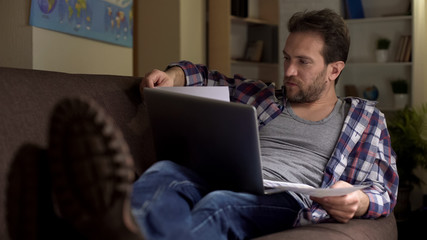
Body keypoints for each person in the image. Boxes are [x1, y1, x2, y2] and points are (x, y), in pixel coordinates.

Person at [7, 8, 398, 240]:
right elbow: (210, 77)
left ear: (335, 69)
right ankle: (119, 225)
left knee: (219, 206)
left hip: (289, 198)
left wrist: (360, 200)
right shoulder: (266, 96)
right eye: (286, 58)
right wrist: (175, 76)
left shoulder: (363, 119)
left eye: (303, 62)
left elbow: (384, 189)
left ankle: (82, 229)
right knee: (166, 173)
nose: (288, 70)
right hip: (231, 174)